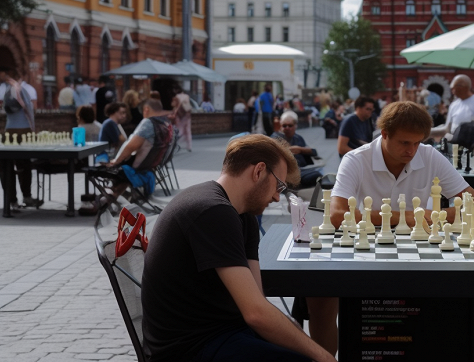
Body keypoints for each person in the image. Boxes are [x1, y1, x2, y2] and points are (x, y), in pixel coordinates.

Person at [141, 134, 335, 362]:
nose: (276, 197)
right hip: (189, 348)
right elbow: (256, 314)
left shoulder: (243, 216)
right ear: (259, 171)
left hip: (224, 333)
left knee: (300, 348)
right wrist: (324, 356)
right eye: (279, 185)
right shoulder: (212, 211)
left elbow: (257, 302)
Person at [331, 100, 474, 228]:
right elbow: (337, 215)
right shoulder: (355, 160)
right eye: (404, 143)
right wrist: (403, 217)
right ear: (385, 134)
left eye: (417, 143)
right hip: (368, 246)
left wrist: (437, 214)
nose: (411, 151)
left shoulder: (429, 156)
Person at [101, 98, 173, 199]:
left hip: (136, 168)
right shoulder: (165, 123)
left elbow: (131, 146)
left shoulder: (148, 123)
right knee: (123, 169)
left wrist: (116, 161)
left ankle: (108, 200)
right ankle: (117, 199)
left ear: (146, 109)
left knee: (118, 170)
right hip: (148, 166)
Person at [0, 67, 42, 209]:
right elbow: (29, 109)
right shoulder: (21, 89)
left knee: (7, 166)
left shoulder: (2, 88)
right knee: (24, 164)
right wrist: (33, 128)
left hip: (9, 131)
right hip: (23, 131)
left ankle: (12, 200)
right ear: (21, 77)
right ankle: (27, 197)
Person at [271, 111, 322, 187]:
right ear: (280, 126)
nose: (287, 128)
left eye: (290, 125)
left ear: (295, 126)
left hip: (300, 170)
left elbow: (314, 152)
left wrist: (300, 149)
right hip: (285, 174)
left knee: (320, 173)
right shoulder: (275, 139)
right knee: (317, 175)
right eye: (284, 126)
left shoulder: (298, 138)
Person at [431, 74, 474, 140]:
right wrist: (429, 132)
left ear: (462, 87)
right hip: (455, 144)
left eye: (453, 88)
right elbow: (447, 129)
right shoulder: (453, 105)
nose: (452, 91)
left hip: (472, 144)